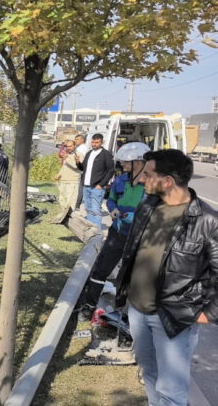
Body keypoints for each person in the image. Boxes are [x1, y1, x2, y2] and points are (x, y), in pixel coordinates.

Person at [115, 149, 217, 406]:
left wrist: (210, 312)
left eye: (148, 175)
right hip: (137, 311)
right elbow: (133, 250)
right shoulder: (148, 205)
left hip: (173, 317)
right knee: (149, 373)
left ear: (168, 181)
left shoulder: (207, 221)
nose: (140, 179)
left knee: (171, 390)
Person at [79, 142, 149, 321]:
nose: (122, 166)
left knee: (130, 277)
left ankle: (125, 313)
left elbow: (154, 212)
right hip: (117, 233)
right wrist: (113, 209)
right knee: (101, 269)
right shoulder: (120, 180)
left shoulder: (150, 185)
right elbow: (111, 199)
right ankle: (89, 305)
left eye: (126, 162)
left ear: (138, 163)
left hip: (139, 238)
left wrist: (134, 218)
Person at [76, 133, 114, 227]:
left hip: (97, 187)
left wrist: (101, 184)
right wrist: (78, 163)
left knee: (96, 209)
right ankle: (90, 228)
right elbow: (83, 168)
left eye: (97, 142)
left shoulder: (106, 154)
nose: (94, 144)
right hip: (86, 186)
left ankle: (96, 232)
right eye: (93, 142)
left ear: (102, 142)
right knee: (88, 209)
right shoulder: (89, 153)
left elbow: (110, 171)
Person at [54, 140, 81, 214]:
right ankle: (64, 215)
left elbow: (76, 166)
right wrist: (59, 174)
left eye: (70, 146)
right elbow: (64, 167)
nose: (68, 148)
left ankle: (70, 217)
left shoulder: (78, 154)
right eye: (67, 146)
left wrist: (66, 158)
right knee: (62, 199)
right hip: (64, 180)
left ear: (75, 146)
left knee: (70, 201)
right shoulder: (67, 155)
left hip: (72, 181)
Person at [73, 134, 89, 209]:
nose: (75, 141)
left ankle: (77, 205)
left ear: (82, 140)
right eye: (75, 139)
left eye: (77, 139)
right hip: (80, 170)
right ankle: (76, 203)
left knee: (79, 188)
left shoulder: (82, 149)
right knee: (78, 188)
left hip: (81, 171)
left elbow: (80, 160)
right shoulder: (80, 148)